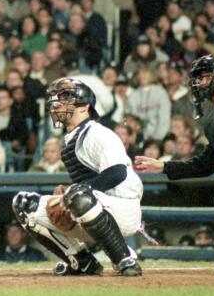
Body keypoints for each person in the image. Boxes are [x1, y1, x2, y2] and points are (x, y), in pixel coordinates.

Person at [12, 77, 144, 276]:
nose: (57, 104)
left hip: (123, 207)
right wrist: (70, 190)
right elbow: (90, 181)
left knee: (78, 194)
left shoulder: (98, 133)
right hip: (99, 206)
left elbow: (118, 173)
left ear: (85, 107)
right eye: (55, 98)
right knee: (23, 204)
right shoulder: (72, 138)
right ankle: (81, 261)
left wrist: (78, 190)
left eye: (65, 98)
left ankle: (124, 258)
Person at [135, 55, 214, 273]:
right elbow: (205, 165)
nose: (200, 84)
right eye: (198, 79)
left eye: (205, 77)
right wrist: (164, 167)